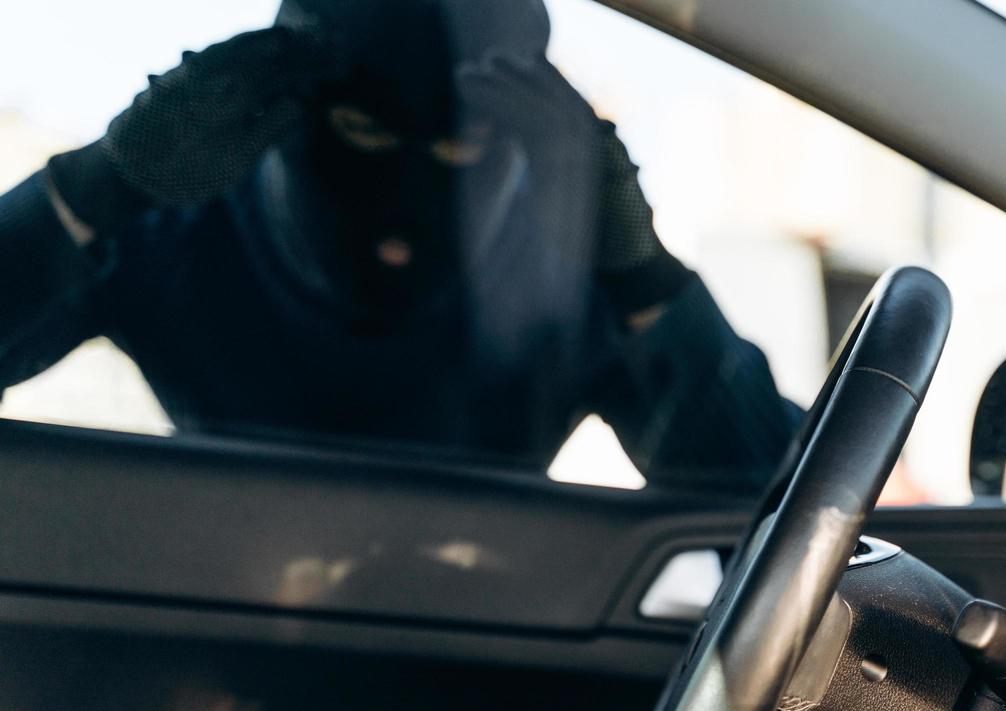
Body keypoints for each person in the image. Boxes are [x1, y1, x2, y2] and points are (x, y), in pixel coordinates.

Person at [0, 0, 799, 488]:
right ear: (288, 112)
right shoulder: (179, 220)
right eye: (363, 130)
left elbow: (777, 515)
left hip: (473, 697)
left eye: (458, 146)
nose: (405, 197)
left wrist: (643, 277)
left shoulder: (564, 267)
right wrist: (93, 188)